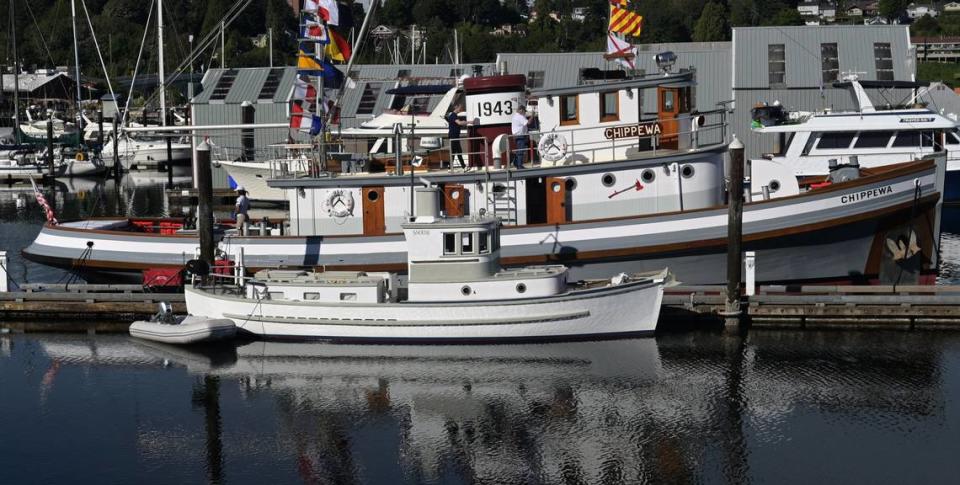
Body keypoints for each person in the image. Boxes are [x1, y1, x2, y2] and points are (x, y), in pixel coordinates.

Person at [446, 104, 471, 170]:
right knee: (459, 151)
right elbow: (459, 123)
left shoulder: (454, 115)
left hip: (455, 136)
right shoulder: (453, 115)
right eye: (460, 108)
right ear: (456, 107)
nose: (460, 109)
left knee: (453, 152)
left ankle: (449, 167)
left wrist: (463, 122)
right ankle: (464, 167)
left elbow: (458, 123)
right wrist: (470, 122)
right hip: (453, 136)